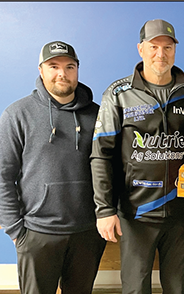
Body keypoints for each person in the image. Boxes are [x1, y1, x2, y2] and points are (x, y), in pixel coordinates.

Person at [91, 19, 184, 294]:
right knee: (135, 288)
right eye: (154, 47)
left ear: (175, 51)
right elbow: (101, 155)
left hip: (179, 213)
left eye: (167, 47)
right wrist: (104, 208)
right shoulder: (118, 95)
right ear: (140, 49)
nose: (160, 54)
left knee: (177, 287)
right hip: (136, 214)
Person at [0, 41, 105, 293]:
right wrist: (16, 230)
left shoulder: (98, 115)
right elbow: (3, 175)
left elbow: (109, 170)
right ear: (41, 70)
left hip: (87, 233)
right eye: (54, 66)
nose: (62, 73)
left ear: (77, 70)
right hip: (37, 233)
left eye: (70, 66)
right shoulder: (18, 114)